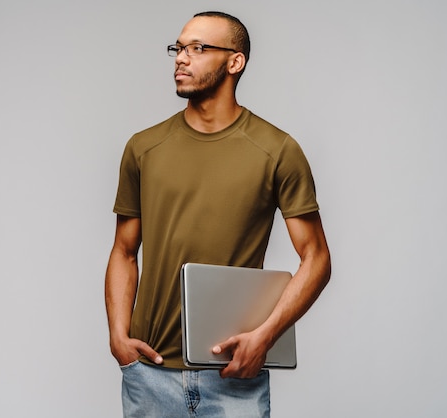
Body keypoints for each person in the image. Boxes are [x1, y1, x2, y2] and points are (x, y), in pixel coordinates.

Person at [105, 11, 331, 417]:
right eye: (178, 47)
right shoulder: (143, 148)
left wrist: (265, 336)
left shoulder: (277, 150)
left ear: (234, 62)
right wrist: (117, 338)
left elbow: (317, 258)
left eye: (197, 47)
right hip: (149, 375)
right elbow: (123, 251)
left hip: (234, 375)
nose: (181, 58)